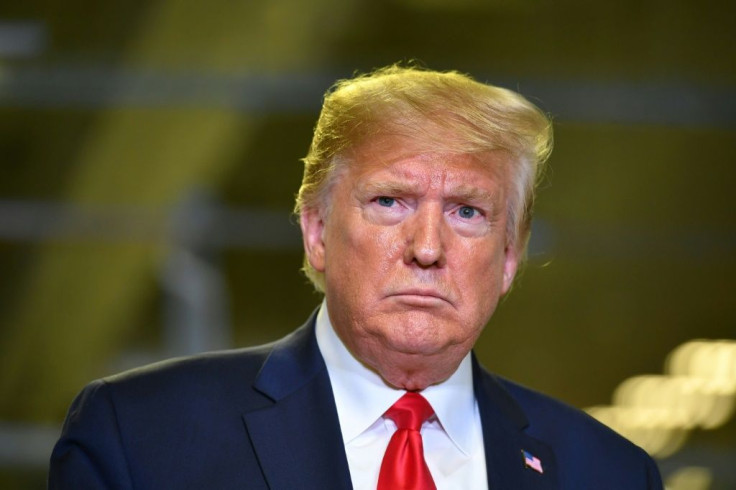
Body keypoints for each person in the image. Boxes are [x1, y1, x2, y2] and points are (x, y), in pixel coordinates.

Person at [49, 65, 663, 489]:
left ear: (509, 258)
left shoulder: (608, 475)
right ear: (316, 232)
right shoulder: (141, 434)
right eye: (389, 202)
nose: (427, 248)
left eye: (468, 212)